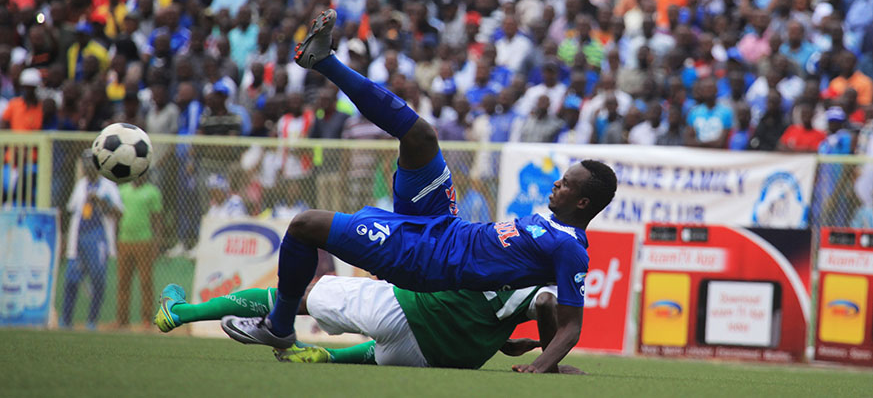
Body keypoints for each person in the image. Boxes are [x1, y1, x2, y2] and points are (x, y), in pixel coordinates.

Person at [222, 10, 617, 374]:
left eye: (565, 184)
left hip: (428, 259)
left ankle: (279, 324)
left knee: (305, 225)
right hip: (443, 224)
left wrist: (545, 365)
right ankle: (323, 60)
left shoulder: (570, 249)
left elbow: (569, 324)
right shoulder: (551, 226)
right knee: (420, 135)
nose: (555, 184)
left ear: (583, 202)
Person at [155, 279, 575, 371]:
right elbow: (532, 309)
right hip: (439, 357)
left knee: (300, 297)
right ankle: (327, 357)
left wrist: (546, 362)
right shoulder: (549, 266)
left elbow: (545, 301)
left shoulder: (524, 264)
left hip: (407, 311)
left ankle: (182, 312)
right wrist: (512, 342)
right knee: (382, 353)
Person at [62, 150, 123, 329]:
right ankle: (66, 321)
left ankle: (92, 320)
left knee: (98, 280)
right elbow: (72, 210)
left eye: (91, 165)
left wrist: (102, 200)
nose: (88, 168)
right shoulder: (81, 185)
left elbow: (119, 212)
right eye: (86, 164)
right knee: (71, 279)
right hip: (78, 237)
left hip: (98, 237)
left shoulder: (108, 186)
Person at [116, 172, 163, 328]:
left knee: (145, 281)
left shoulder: (152, 192)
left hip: (144, 241)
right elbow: (117, 216)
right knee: (123, 281)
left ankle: (146, 319)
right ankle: (122, 320)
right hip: (124, 240)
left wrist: (157, 244)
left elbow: (157, 219)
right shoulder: (122, 190)